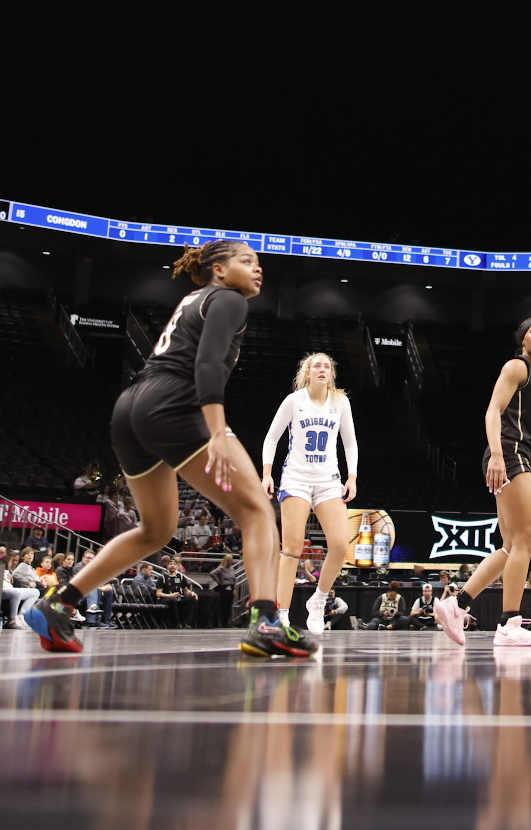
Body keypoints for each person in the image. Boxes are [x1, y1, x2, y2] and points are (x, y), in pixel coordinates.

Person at [22, 240, 291, 659]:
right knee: (256, 511)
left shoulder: (194, 298)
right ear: (219, 270)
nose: (258, 270)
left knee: (156, 531)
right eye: (246, 261)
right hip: (175, 404)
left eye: (259, 264)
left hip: (131, 408)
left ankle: (59, 603)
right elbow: (206, 363)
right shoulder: (228, 300)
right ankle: (266, 623)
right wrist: (217, 431)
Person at [437, 318, 531, 649]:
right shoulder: (517, 367)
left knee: (509, 547)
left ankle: (456, 604)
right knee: (525, 541)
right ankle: (508, 624)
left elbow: (522, 432)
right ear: (522, 339)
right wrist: (500, 457)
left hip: (519, 455)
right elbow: (493, 412)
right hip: (508, 453)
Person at [259, 351, 361, 635]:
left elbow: (350, 443)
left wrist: (351, 476)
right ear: (307, 372)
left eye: (327, 366)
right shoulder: (294, 401)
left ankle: (318, 600)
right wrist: (267, 474)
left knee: (341, 545)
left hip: (328, 480)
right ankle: (281, 613)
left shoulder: (340, 402)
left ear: (332, 374)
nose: (322, 369)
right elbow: (271, 437)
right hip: (296, 478)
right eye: (316, 365)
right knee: (291, 548)